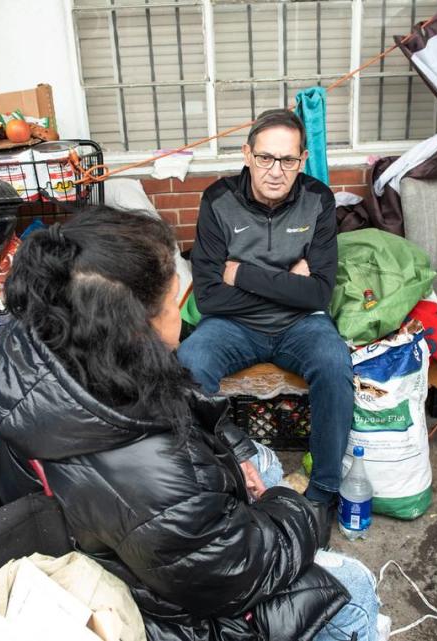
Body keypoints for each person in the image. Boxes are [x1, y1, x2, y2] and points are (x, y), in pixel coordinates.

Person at [0, 207, 379, 641]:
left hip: (124, 532)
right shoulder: (160, 475)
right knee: (353, 586)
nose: (180, 310)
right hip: (168, 610)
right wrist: (293, 507)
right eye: (173, 301)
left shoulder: (44, 345)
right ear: (135, 327)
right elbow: (236, 573)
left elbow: (179, 406)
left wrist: (235, 453)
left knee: (258, 457)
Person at [177, 109, 353, 546]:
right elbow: (209, 296)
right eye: (266, 158)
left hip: (301, 326)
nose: (276, 172)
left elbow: (318, 295)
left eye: (288, 161)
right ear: (247, 154)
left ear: (302, 159)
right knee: (188, 365)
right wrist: (290, 280)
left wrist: (243, 273)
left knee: (334, 365)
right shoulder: (217, 200)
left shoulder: (318, 200)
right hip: (233, 325)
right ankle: (217, 483)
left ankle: (323, 494)